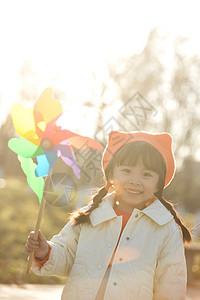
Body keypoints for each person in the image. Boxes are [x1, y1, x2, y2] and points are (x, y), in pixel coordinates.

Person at [25, 131, 191, 300]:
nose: (135, 180)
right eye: (126, 170)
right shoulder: (91, 215)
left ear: (158, 183)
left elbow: (171, 285)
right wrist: (45, 251)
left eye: (147, 174)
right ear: (111, 176)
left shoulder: (165, 228)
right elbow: (66, 255)